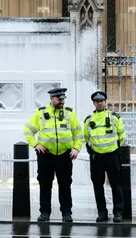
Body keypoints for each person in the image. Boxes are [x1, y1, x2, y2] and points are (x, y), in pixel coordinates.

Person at [23, 88, 82, 223]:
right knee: (45, 185)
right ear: (52, 99)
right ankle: (44, 212)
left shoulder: (69, 114)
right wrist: (35, 145)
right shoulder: (41, 113)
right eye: (59, 99)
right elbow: (28, 131)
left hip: (65, 155)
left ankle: (66, 213)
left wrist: (76, 148)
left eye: (63, 99)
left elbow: (78, 134)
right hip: (46, 155)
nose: (62, 101)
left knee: (65, 184)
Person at [83, 91, 126, 223]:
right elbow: (86, 137)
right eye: (97, 101)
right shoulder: (89, 120)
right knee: (97, 186)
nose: (99, 103)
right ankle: (102, 213)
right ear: (94, 103)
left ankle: (118, 213)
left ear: (105, 102)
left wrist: (115, 150)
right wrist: (91, 151)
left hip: (112, 155)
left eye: (101, 101)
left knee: (116, 185)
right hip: (97, 157)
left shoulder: (114, 117)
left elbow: (121, 135)